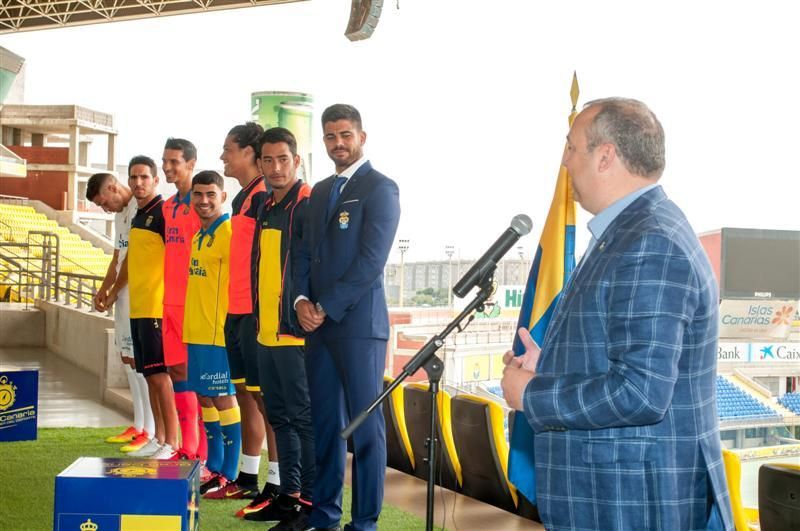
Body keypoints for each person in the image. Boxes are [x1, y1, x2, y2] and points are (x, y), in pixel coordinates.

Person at [500, 98, 734, 530]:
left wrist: (531, 394)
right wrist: (546, 366)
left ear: (605, 155)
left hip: (631, 502)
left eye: (571, 147)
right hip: (612, 493)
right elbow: (612, 353)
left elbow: (641, 392)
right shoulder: (627, 231)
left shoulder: (651, 241)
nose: (565, 162)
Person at [293, 104, 400, 531]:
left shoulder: (381, 188)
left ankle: (365, 522)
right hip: (316, 328)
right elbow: (302, 253)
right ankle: (326, 516)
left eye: (346, 135)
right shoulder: (318, 192)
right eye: (331, 137)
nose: (339, 143)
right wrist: (302, 301)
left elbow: (371, 262)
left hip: (359, 328)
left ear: (362, 137)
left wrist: (325, 306)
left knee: (365, 428)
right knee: (325, 425)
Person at [243, 127, 314, 529]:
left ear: (296, 161)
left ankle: (309, 505)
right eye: (267, 161)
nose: (275, 167)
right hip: (264, 332)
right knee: (281, 418)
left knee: (303, 421)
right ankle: (289, 498)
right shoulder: (265, 204)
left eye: (282, 159)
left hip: (294, 335)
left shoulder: (307, 203)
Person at [206, 122, 280, 504]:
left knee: (266, 401)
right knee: (245, 394)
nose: (223, 157)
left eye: (228, 149)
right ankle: (248, 477)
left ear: (249, 153)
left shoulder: (265, 196)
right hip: (235, 310)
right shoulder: (245, 198)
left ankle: (278, 483)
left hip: (254, 312)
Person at [86, 172, 154, 452]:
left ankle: (150, 430)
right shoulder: (119, 217)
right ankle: (138, 424)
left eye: (104, 202)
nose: (106, 209)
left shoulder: (140, 208)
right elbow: (117, 257)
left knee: (142, 364)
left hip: (139, 295)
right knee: (128, 360)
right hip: (122, 298)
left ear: (113, 187)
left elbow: (134, 260)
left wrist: (114, 292)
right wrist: (104, 289)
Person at [183, 170, 242, 494]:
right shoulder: (198, 235)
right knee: (205, 395)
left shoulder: (229, 231)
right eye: (198, 194)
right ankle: (214, 464)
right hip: (196, 330)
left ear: (222, 197)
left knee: (223, 397)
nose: (203, 201)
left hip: (218, 333)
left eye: (210, 195)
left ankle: (230, 472)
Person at [122, 155, 180, 459]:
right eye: (133, 177)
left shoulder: (163, 212)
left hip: (156, 309)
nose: (138, 183)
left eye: (144, 177)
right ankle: (158, 437)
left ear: (155, 180)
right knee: (148, 376)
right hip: (138, 307)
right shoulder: (137, 214)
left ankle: (171, 442)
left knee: (160, 377)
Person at [161, 138, 204, 461]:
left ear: (191, 163)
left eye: (174, 161)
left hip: (194, 305)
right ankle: (185, 446)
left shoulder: (203, 203)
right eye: (165, 161)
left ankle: (202, 452)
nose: (167, 167)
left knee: (197, 378)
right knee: (176, 372)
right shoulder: (167, 205)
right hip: (169, 302)